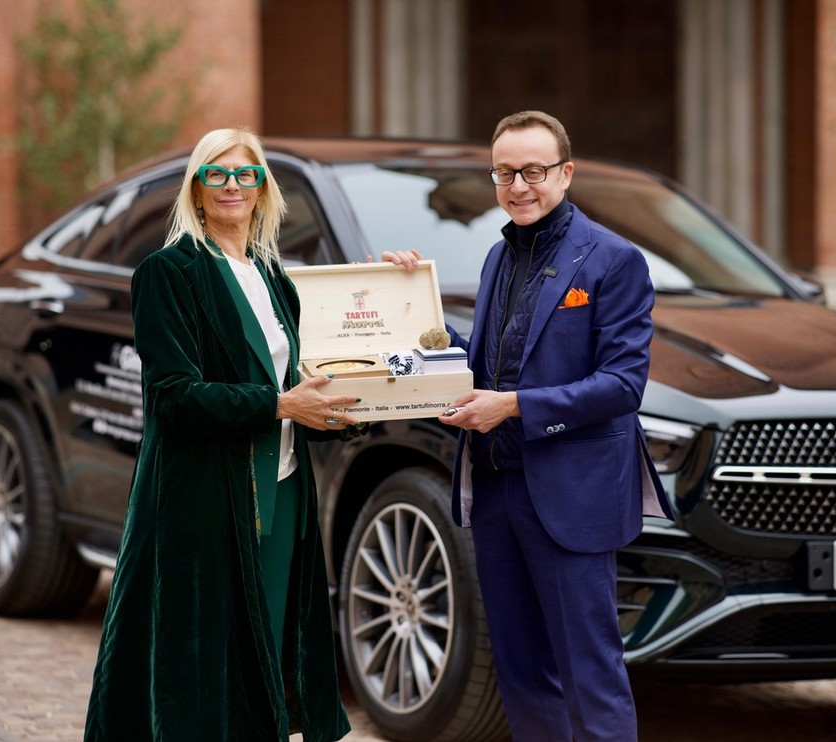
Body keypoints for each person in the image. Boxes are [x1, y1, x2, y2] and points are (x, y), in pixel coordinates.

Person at [387, 110, 673, 740]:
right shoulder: (498, 256)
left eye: (533, 171)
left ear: (565, 174)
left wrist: (513, 406)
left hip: (571, 495)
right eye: (505, 173)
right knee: (521, 674)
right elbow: (484, 364)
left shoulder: (614, 260)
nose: (518, 186)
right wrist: (408, 301)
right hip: (495, 490)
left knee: (589, 677)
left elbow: (623, 384)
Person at [84, 127, 355, 741]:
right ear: (196, 189)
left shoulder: (274, 276)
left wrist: (344, 404)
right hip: (206, 495)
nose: (232, 185)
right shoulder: (169, 272)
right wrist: (280, 405)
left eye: (246, 174)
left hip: (282, 488)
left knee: (268, 648)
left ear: (263, 189)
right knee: (204, 666)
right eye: (217, 174)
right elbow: (172, 397)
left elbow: (303, 380)